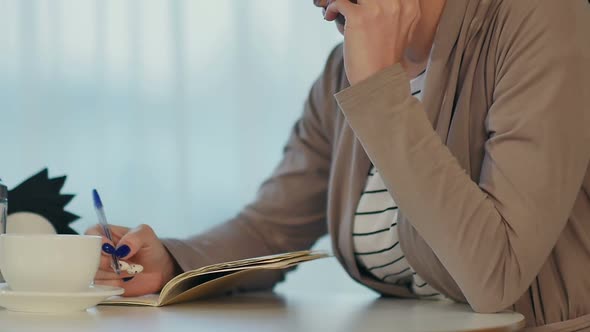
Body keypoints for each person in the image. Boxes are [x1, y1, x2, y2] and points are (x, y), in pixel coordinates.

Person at [86, 0, 590, 330]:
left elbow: (494, 275)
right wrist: (171, 262)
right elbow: (271, 228)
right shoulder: (341, 67)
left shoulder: (542, 18)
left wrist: (377, 89)